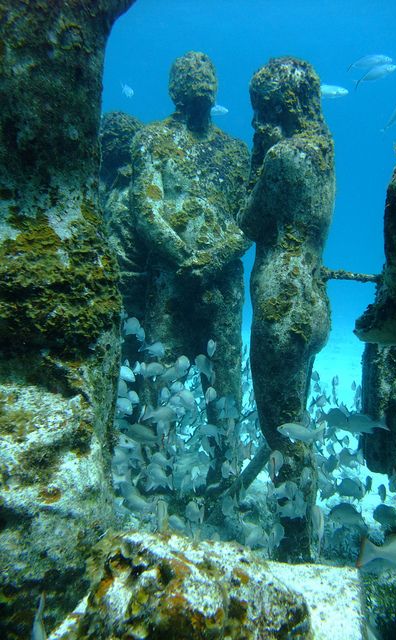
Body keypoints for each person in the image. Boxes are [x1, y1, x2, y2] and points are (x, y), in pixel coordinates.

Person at [130, 51, 250, 483]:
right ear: (172, 86)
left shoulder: (237, 154)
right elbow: (145, 208)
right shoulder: (151, 139)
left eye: (207, 71)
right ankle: (154, 477)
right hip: (171, 276)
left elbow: (249, 221)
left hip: (221, 281)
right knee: (158, 377)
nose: (199, 77)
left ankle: (223, 478)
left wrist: (212, 259)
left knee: (226, 381)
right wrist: (187, 258)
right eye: (188, 71)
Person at [239, 57, 335, 561]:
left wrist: (258, 159)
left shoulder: (284, 159)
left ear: (289, 106)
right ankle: (305, 534)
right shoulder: (325, 153)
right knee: (297, 424)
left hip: (280, 302)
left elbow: (249, 221)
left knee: (280, 430)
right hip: (314, 299)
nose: (258, 124)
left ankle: (293, 547)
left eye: (266, 111)